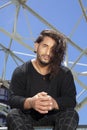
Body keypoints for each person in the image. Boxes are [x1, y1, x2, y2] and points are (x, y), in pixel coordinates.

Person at [7, 29, 79, 130]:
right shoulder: (21, 71)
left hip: (55, 118)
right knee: (13, 114)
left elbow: (71, 100)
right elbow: (13, 100)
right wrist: (31, 102)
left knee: (71, 114)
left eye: (53, 49)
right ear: (36, 46)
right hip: (27, 118)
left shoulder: (64, 73)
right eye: (45, 46)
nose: (48, 52)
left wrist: (53, 103)